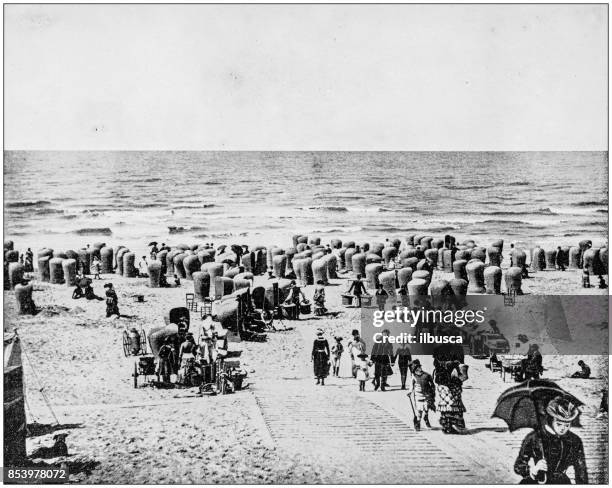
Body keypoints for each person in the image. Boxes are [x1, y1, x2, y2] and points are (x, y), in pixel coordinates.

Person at [514, 396, 587, 484]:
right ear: (551, 420)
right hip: (538, 480)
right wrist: (533, 470)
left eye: (567, 425)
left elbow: (581, 471)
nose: (563, 429)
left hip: (561, 482)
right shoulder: (535, 438)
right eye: (559, 424)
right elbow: (519, 465)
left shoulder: (574, 440)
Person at [434, 359, 467, 434]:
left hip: (444, 397)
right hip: (451, 396)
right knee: (452, 411)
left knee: (446, 412)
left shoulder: (441, 373)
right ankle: (449, 427)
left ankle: (446, 427)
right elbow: (457, 382)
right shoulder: (452, 374)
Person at [407, 360, 436, 429]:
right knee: (419, 410)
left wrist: (432, 391)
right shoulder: (413, 376)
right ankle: (418, 422)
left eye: (419, 367)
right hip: (418, 395)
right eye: (416, 369)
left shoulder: (426, 375)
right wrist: (410, 391)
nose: (418, 370)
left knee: (426, 408)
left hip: (426, 394)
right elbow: (411, 385)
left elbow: (432, 384)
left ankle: (426, 418)